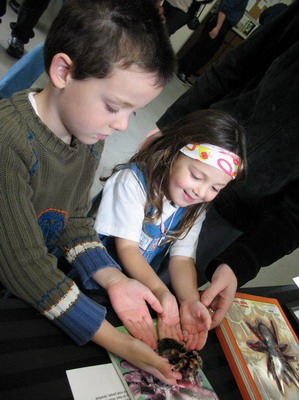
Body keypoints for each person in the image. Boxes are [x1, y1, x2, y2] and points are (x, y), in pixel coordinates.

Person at [0, 0, 182, 385]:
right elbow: (23, 265)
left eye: (133, 112)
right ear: (64, 71)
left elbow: (74, 219)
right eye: (115, 107)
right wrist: (115, 339)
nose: (122, 126)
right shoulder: (8, 143)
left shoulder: (86, 133)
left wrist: (114, 280)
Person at [155, 0, 299, 330]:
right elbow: (239, 64)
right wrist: (170, 126)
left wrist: (240, 262)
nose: (203, 193)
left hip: (239, 215)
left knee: (163, 298)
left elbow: (181, 261)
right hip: (192, 152)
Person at [95, 109, 247, 350]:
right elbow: (127, 248)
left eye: (215, 188)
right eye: (197, 176)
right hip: (94, 280)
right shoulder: (132, 182)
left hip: (137, 291)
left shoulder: (194, 206)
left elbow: (182, 259)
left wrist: (188, 300)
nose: (201, 192)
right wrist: (160, 290)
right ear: (173, 152)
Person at [177, 0, 248, 85]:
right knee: (201, 48)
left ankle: (187, 72)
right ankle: (182, 70)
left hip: (225, 24)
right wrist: (217, 28)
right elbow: (224, 9)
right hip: (220, 22)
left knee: (208, 52)